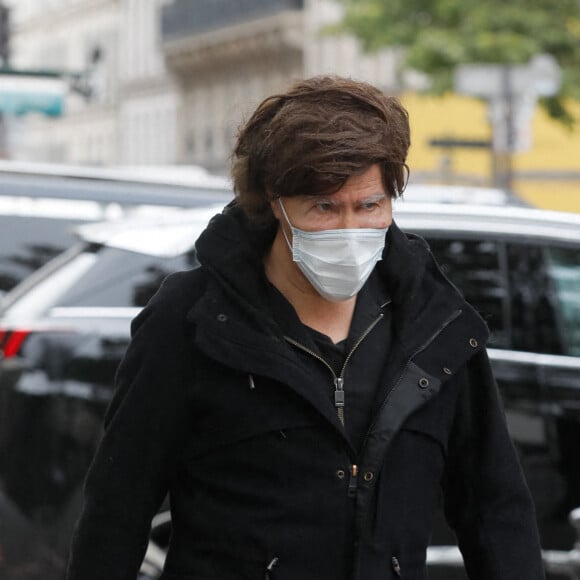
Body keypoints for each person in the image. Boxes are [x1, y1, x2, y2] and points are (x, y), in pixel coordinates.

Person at [67, 75, 545, 580]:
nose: (350, 230)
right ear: (275, 202)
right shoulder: (192, 319)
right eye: (323, 207)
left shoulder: (434, 323)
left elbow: (495, 507)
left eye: (369, 206)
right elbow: (118, 507)